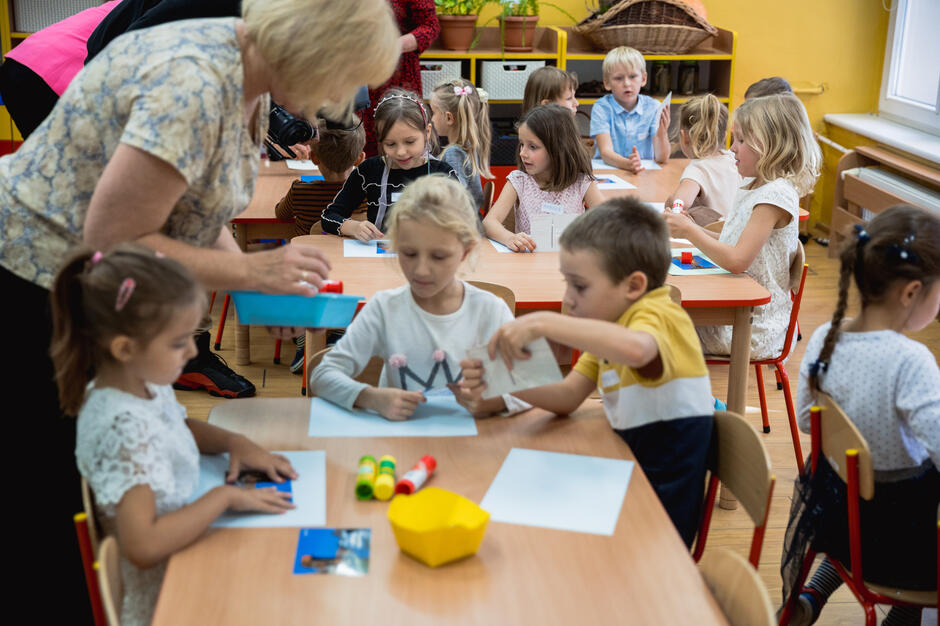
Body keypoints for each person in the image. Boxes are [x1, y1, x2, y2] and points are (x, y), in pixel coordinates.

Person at [0, 0, 399, 619]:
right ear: (315, 51)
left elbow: (197, 210)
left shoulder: (248, 67)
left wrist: (254, 293)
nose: (339, 99)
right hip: (35, 281)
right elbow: (114, 236)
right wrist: (248, 269)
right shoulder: (196, 83)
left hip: (79, 279)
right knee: (52, 489)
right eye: (344, 77)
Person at [53, 244, 297, 626]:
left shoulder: (143, 381)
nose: (190, 353)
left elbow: (176, 426)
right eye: (179, 341)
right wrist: (224, 497)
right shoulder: (120, 426)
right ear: (125, 348)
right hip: (172, 598)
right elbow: (143, 545)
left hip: (191, 553)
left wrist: (236, 443)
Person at [460, 198, 714, 546]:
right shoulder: (610, 327)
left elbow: (638, 350)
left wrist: (545, 321)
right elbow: (567, 397)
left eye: (579, 286)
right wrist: (500, 378)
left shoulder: (659, 315)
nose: (569, 298)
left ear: (634, 286)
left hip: (659, 512)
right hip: (625, 474)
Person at [780, 206, 940, 626]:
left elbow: (803, 418)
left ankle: (812, 595)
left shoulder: (824, 337)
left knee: (866, 515)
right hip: (899, 537)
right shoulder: (912, 361)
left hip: (838, 512)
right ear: (911, 293)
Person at [311, 175, 528, 419]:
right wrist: (370, 397)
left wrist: (493, 402)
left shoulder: (490, 310)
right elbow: (322, 375)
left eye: (438, 257)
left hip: (470, 445)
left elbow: (534, 387)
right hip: (401, 447)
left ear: (465, 252)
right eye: (410, 253)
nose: (422, 270)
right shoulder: (385, 308)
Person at [665, 94, 822, 360]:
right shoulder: (755, 186)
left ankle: (675, 399)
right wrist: (693, 227)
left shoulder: (775, 196)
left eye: (741, 140)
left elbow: (737, 260)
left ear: (772, 145)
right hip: (735, 307)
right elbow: (733, 239)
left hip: (752, 327)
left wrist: (690, 232)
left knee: (651, 324)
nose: (732, 148)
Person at [320, 88, 457, 240]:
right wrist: (354, 227)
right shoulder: (369, 171)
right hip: (379, 258)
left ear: (427, 132)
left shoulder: (444, 175)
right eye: (390, 144)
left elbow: (467, 223)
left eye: (410, 142)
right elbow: (329, 217)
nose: (401, 152)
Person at [482, 104, 604, 252]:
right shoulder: (519, 181)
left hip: (569, 264)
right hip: (528, 266)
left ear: (558, 149)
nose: (522, 153)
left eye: (532, 147)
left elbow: (610, 221)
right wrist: (509, 238)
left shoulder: (581, 182)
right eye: (522, 144)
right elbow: (489, 223)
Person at [0, 0, 121, 138]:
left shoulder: (118, 6)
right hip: (48, 78)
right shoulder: (142, 12)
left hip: (16, 64)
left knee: (42, 151)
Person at [362, 0, 440, 157]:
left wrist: (393, 46)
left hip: (397, 77)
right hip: (355, 75)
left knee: (401, 138)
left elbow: (430, 27)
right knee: (358, 142)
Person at [275, 118, 367, 239]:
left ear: (314, 158)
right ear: (359, 159)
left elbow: (280, 214)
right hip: (351, 257)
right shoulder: (369, 194)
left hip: (308, 257)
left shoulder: (299, 192)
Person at [590, 46, 670, 173]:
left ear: (643, 79)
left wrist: (662, 134)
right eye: (618, 78)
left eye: (633, 76)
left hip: (643, 174)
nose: (627, 83)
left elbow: (662, 158)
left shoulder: (654, 106)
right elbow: (605, 152)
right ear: (607, 83)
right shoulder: (601, 107)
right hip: (609, 172)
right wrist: (628, 164)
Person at [664, 94, 740, 226]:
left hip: (712, 236)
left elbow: (682, 202)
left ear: (684, 137)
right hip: (738, 231)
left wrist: (671, 201)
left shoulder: (697, 168)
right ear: (724, 136)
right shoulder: (733, 158)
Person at [429, 78, 492, 211]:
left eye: (434, 112)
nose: (432, 119)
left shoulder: (454, 153)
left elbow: (455, 199)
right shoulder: (467, 146)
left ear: (449, 118)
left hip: (460, 226)